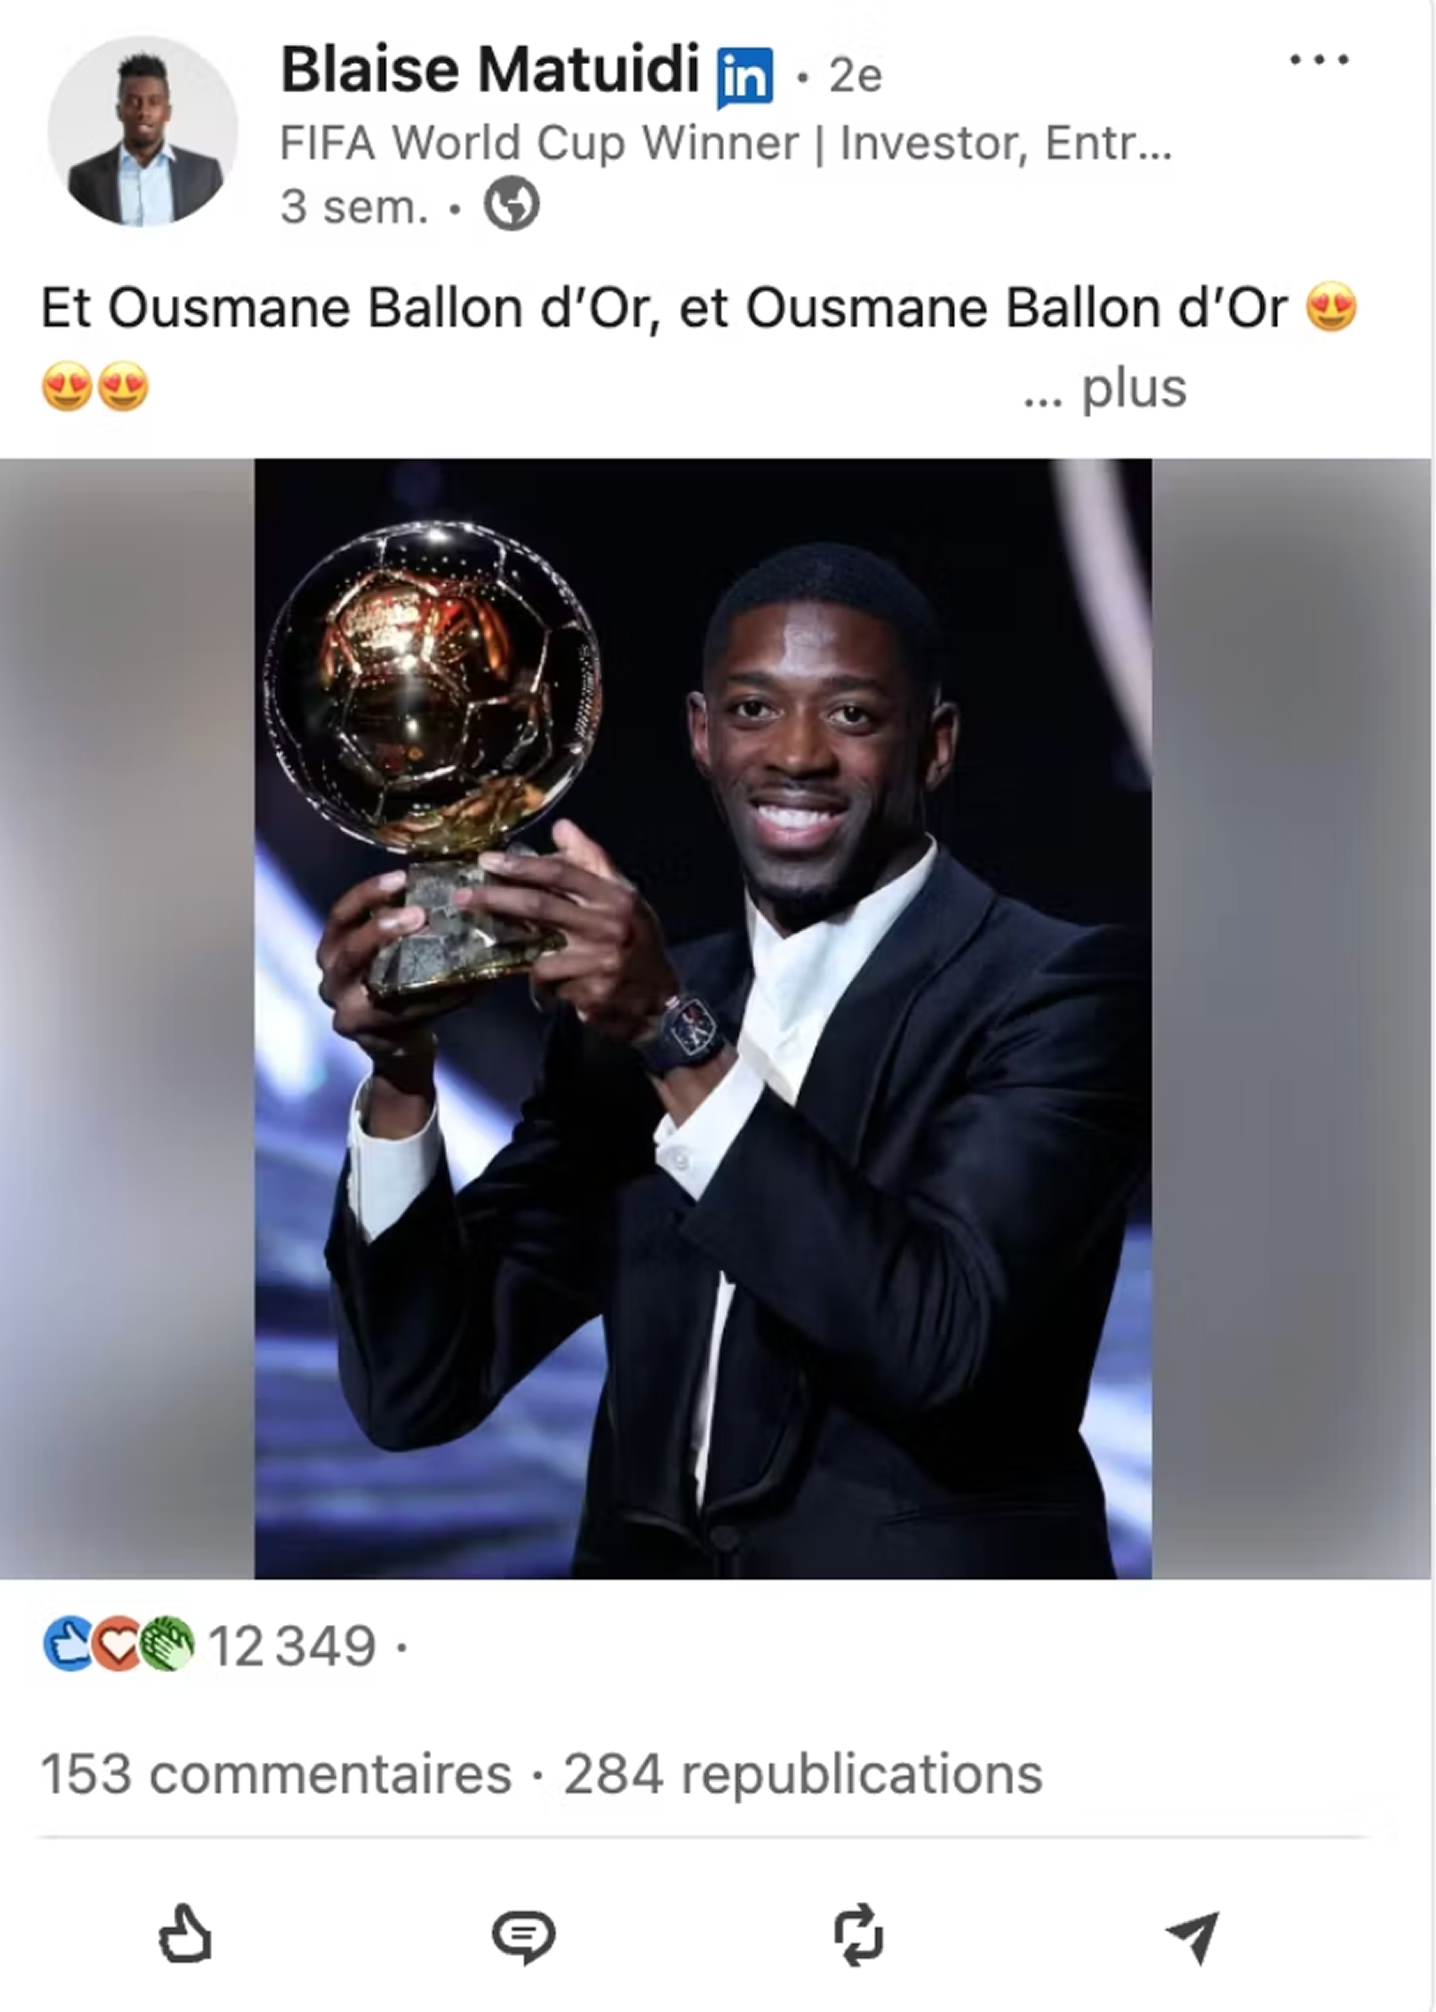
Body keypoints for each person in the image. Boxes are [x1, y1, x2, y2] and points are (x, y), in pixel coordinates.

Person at [320, 543, 1150, 1578]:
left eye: (850, 714)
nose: (795, 752)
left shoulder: (1061, 990)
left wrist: (673, 1032)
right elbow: (415, 1387)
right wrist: (400, 1077)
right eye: (754, 710)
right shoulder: (629, 1019)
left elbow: (941, 1347)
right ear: (701, 736)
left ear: (933, 745)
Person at [67, 53, 222, 226]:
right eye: (134, 102)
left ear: (167, 112)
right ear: (119, 111)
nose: (144, 112)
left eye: (154, 102)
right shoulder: (85, 179)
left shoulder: (206, 175)